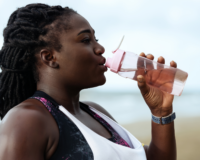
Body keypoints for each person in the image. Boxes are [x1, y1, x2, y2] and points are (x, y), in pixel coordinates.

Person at [0, 3, 177, 160]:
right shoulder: (27, 120)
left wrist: (161, 112)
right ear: (50, 57)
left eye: (96, 39)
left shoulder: (97, 112)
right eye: (85, 40)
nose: (100, 48)